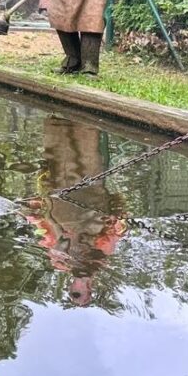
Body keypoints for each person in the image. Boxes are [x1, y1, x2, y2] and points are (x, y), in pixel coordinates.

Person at [24, 116, 127, 307]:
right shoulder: (101, 257)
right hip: (90, 191)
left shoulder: (59, 261)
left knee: (60, 148)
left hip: (61, 189)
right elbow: (116, 229)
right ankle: (74, 115)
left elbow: (45, 232)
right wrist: (116, 216)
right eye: (82, 291)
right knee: (85, 149)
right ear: (90, 288)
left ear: (70, 287)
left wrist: (32, 213)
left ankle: (62, 116)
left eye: (76, 291)